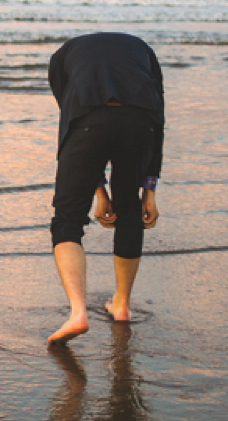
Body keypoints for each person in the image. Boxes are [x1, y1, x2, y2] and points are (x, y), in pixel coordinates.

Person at [45, 32, 164, 345]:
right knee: (129, 210)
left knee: (68, 218)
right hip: (141, 121)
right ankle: (122, 305)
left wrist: (96, 191)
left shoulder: (60, 59)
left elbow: (72, 120)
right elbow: (158, 118)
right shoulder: (144, 50)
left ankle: (77, 313)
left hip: (87, 120)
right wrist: (149, 189)